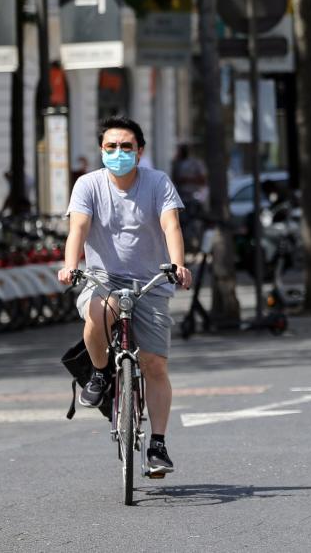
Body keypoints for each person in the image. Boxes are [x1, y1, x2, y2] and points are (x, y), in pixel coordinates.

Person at [57, 116, 192, 475]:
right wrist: (71, 265)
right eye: (111, 147)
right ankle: (100, 373)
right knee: (98, 311)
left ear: (140, 151)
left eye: (127, 147)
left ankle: (158, 445)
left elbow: (170, 224)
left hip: (150, 282)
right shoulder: (88, 185)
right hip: (103, 278)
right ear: (102, 150)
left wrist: (177, 264)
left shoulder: (158, 182)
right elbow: (78, 229)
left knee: (154, 364)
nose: (119, 153)